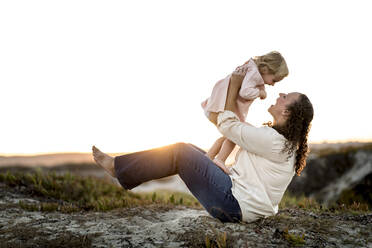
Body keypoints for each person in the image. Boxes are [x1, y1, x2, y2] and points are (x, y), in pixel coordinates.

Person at [92, 73, 313, 223]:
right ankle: (121, 169)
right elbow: (237, 131)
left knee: (180, 152)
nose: (280, 95)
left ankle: (117, 168)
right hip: (242, 204)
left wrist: (235, 84)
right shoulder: (281, 142)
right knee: (189, 150)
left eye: (286, 98)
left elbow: (228, 125)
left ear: (287, 113)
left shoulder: (274, 141)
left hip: (234, 205)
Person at [201, 51, 289, 172]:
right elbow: (245, 92)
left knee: (227, 136)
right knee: (234, 135)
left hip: (217, 105)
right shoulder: (254, 73)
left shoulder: (250, 67)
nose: (273, 85)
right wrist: (260, 93)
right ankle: (220, 159)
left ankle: (209, 157)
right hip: (222, 109)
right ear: (265, 69)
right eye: (274, 80)